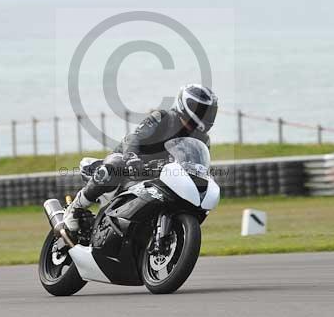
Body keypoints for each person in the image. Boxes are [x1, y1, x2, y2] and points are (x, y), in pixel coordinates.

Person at [62, 84, 218, 233]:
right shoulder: (164, 117)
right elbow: (134, 138)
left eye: (210, 111)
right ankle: (75, 208)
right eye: (203, 110)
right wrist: (132, 157)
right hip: (133, 166)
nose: (207, 115)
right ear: (187, 105)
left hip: (164, 177)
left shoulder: (203, 139)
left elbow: (197, 164)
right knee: (115, 165)